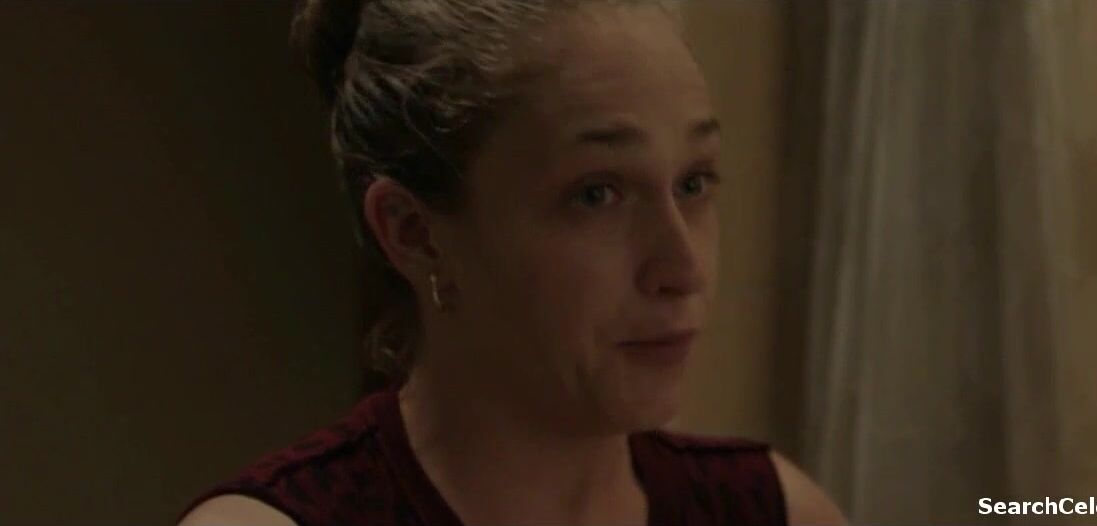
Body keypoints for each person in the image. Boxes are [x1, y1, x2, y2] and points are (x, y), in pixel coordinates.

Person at [177, 0, 847, 524]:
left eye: (694, 183)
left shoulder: (774, 513)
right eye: (597, 193)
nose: (683, 268)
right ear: (415, 234)